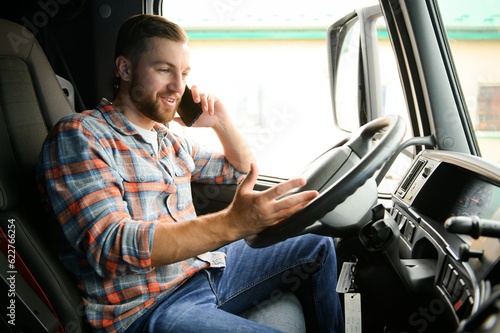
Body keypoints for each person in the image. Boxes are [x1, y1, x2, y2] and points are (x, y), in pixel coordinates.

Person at [36, 14, 343, 333]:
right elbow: (112, 245)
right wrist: (232, 223)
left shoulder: (168, 139)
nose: (177, 87)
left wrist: (221, 124)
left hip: (202, 270)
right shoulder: (80, 136)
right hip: (149, 309)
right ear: (125, 69)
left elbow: (238, 171)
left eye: (183, 73)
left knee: (316, 242)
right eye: (164, 70)